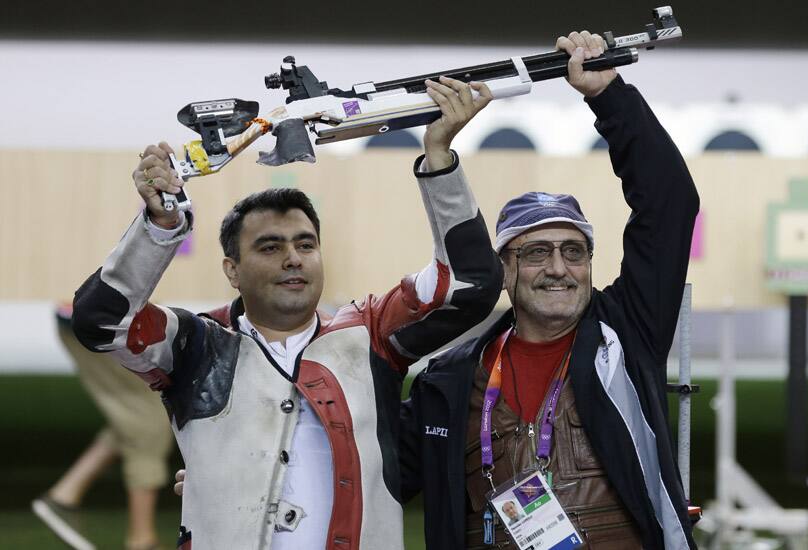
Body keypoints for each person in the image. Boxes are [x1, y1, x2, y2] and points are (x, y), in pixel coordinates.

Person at [71, 76, 502, 550]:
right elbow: (102, 322)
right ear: (232, 270)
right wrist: (161, 224)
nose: (293, 258)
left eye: (305, 244)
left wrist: (439, 157)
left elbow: (469, 284)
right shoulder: (195, 343)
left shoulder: (371, 333)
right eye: (270, 247)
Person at [399, 32, 700, 550]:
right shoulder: (448, 382)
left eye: (573, 251)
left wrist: (607, 95)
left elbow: (669, 204)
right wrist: (437, 151)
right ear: (505, 268)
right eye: (535, 252)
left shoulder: (625, 334)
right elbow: (367, 475)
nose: (558, 268)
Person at [32, 304, 174, 550]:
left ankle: (64, 496)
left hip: (104, 315)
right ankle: (142, 541)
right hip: (103, 316)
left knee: (136, 416)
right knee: (148, 422)